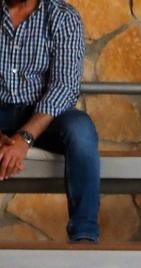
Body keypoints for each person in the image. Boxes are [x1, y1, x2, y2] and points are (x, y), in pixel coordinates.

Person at [0, 0, 98, 243]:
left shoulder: (63, 18)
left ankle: (83, 233)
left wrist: (24, 138)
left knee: (81, 129)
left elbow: (64, 88)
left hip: (43, 115)